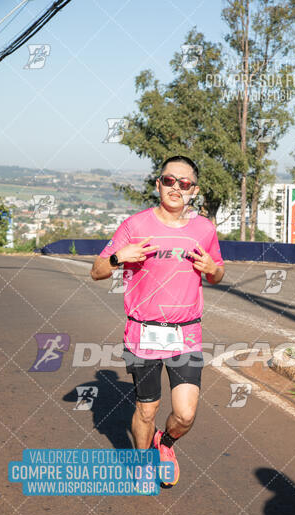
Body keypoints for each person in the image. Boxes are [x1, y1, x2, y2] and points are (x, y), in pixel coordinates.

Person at [91, 155, 225, 486]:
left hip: (186, 333)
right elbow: (96, 271)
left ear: (193, 190)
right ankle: (141, 463)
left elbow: (218, 273)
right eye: (169, 180)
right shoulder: (135, 226)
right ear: (158, 184)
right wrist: (118, 257)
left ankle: (164, 444)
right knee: (146, 411)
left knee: (185, 414)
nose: (176, 188)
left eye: (184, 183)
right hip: (143, 332)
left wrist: (213, 270)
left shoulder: (204, 229)